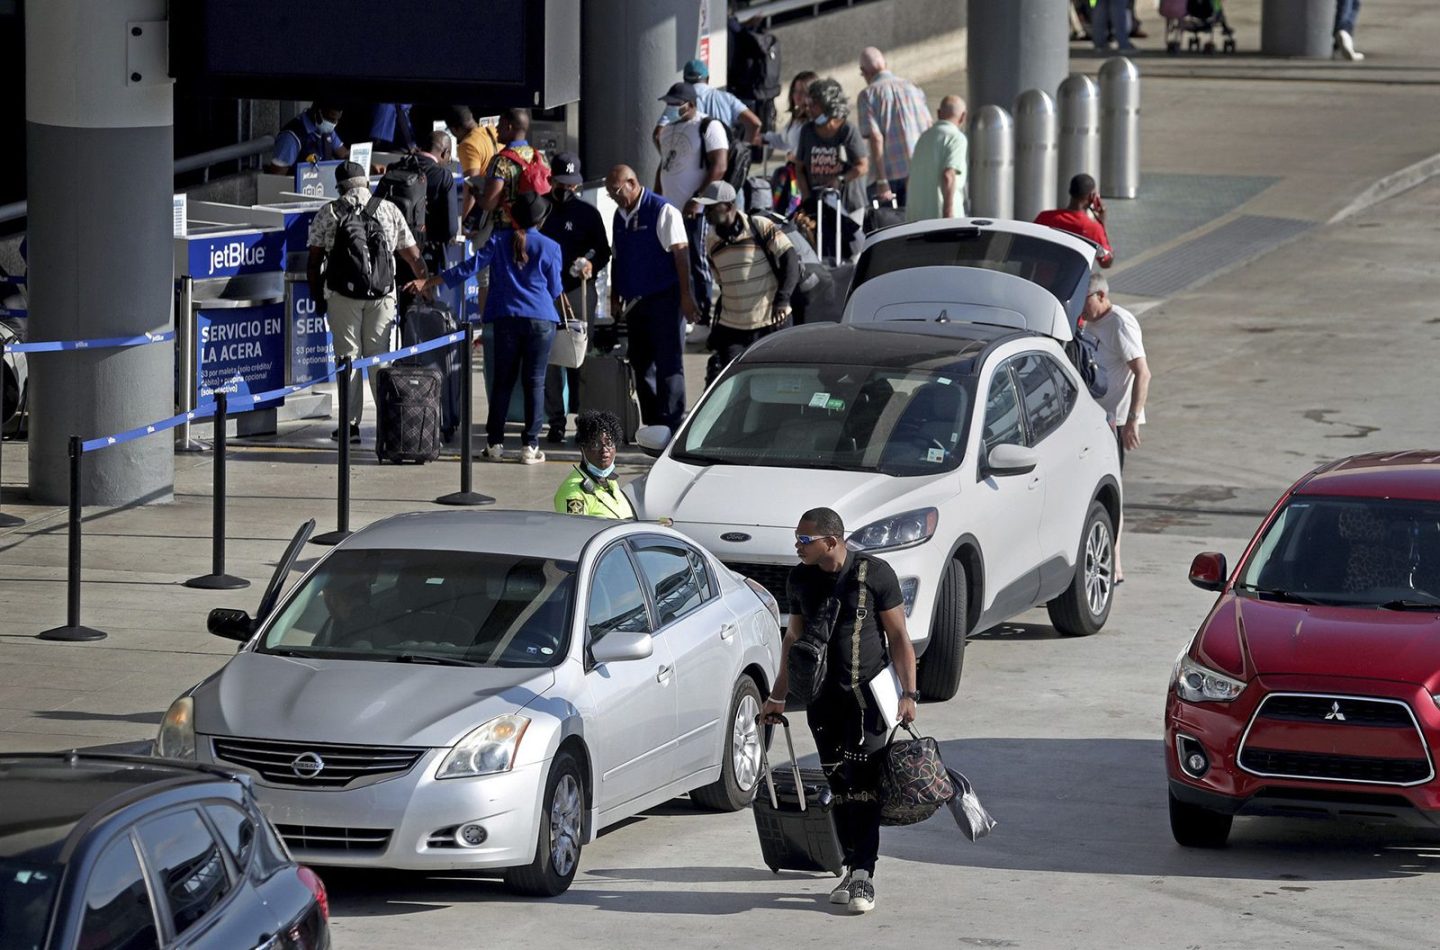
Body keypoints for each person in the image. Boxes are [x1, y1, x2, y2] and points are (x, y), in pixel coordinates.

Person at [761, 507, 919, 915]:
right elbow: (793, 640)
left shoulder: (874, 574)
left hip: (868, 702)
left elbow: (900, 637)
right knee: (839, 784)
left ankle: (864, 875)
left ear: (831, 541)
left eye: (804, 540)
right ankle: (851, 866)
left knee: (865, 784)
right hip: (822, 701)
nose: (797, 547)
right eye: (797, 539)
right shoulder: (800, 579)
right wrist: (778, 696)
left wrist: (909, 694)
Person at [407, 192, 563, 464]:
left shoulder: (499, 241)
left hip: (505, 318)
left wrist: (430, 282)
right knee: (534, 383)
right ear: (541, 219)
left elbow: (468, 268)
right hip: (541, 320)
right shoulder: (550, 246)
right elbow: (555, 289)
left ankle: (495, 444)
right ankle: (530, 446)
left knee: (502, 381)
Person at [306, 161, 428, 443]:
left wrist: (318, 297)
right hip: (382, 295)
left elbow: (314, 261)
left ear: (339, 187)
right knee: (380, 359)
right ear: (366, 183)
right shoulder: (388, 208)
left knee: (348, 357)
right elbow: (412, 255)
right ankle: (388, 422)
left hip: (342, 296)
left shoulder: (330, 212)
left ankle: (349, 426)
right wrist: (425, 284)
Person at [605, 164, 698, 433]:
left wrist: (686, 297)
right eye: (610, 193)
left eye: (617, 191)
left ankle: (672, 423)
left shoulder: (662, 210)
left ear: (633, 183)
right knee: (641, 362)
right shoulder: (619, 215)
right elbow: (617, 257)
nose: (614, 196)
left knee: (669, 362)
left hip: (664, 300)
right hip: (635, 303)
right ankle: (653, 422)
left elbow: (681, 255)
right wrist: (615, 296)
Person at [1082, 272, 1150, 583]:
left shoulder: (1120, 323)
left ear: (1100, 296)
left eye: (1084, 301)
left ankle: (1115, 566)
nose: (1080, 309)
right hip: (1092, 421)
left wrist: (1133, 419)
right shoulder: (1089, 324)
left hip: (1115, 422)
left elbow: (1143, 373)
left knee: (1111, 492)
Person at [540, 152, 612, 444]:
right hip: (546, 294)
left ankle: (584, 420)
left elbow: (603, 250)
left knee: (581, 356)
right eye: (562, 183)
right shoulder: (541, 210)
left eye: (572, 184)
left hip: (578, 291)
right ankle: (556, 420)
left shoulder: (587, 213)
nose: (567, 189)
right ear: (551, 180)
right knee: (552, 359)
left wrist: (590, 263)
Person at [695, 181, 800, 380]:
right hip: (733, 329)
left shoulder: (758, 226)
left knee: (776, 382)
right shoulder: (711, 242)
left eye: (711, 207)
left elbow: (790, 260)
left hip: (770, 323)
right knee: (733, 384)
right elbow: (722, 282)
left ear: (727, 206)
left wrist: (783, 299)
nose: (705, 212)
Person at [656, 82, 729, 326]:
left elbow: (719, 165)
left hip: (694, 211)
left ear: (691, 104)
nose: (671, 108)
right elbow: (664, 166)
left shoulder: (708, 126)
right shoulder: (667, 131)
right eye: (669, 104)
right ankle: (681, 313)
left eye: (676, 104)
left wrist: (697, 199)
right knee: (671, 260)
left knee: (697, 261)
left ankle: (702, 317)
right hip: (669, 209)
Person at [856, 47, 931, 207]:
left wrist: (882, 181)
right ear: (885, 64)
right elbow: (928, 127)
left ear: (864, 71)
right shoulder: (913, 88)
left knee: (891, 226)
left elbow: (876, 138)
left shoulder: (868, 95)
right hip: (919, 170)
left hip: (891, 177)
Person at [796, 78, 870, 220]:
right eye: (808, 104)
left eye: (814, 105)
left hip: (849, 205)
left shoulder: (847, 130)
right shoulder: (807, 131)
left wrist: (840, 180)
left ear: (828, 106)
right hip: (818, 204)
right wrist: (806, 198)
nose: (809, 109)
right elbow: (799, 168)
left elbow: (863, 166)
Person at [655, 59, 761, 148]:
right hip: (723, 162)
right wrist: (744, 149)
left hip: (692, 165)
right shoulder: (727, 98)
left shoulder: (680, 101)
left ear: (684, 80)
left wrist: (669, 158)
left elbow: (657, 135)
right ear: (708, 78)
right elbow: (755, 123)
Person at [473, 108, 550, 231]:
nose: (496, 129)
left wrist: (477, 195)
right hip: (533, 228)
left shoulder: (500, 161)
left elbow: (490, 203)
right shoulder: (540, 157)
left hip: (506, 230)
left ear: (509, 127)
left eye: (500, 124)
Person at [554, 411, 635, 519]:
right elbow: (576, 532)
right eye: (595, 444)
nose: (604, 450)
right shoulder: (574, 494)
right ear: (582, 449)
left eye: (609, 443)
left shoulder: (609, 481)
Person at [904, 96, 968, 223]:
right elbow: (948, 175)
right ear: (963, 116)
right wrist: (948, 214)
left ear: (938, 113)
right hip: (940, 221)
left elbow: (909, 179)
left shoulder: (923, 138)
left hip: (915, 220)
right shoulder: (956, 138)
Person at [1034, 174, 1115, 268]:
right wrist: (1102, 222)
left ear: (1070, 192)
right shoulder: (1093, 228)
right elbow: (1106, 263)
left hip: (1041, 279)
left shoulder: (1044, 217)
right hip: (1074, 281)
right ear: (1092, 197)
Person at [447, 106, 501, 224]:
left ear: (455, 129)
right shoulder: (492, 130)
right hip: (502, 198)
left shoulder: (468, 144)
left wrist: (464, 222)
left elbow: (472, 187)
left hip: (488, 206)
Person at [268, 103, 348, 174]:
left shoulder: (326, 130)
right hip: (297, 187)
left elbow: (343, 154)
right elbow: (276, 177)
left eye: (337, 120)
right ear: (318, 112)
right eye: (331, 119)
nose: (334, 124)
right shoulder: (291, 137)